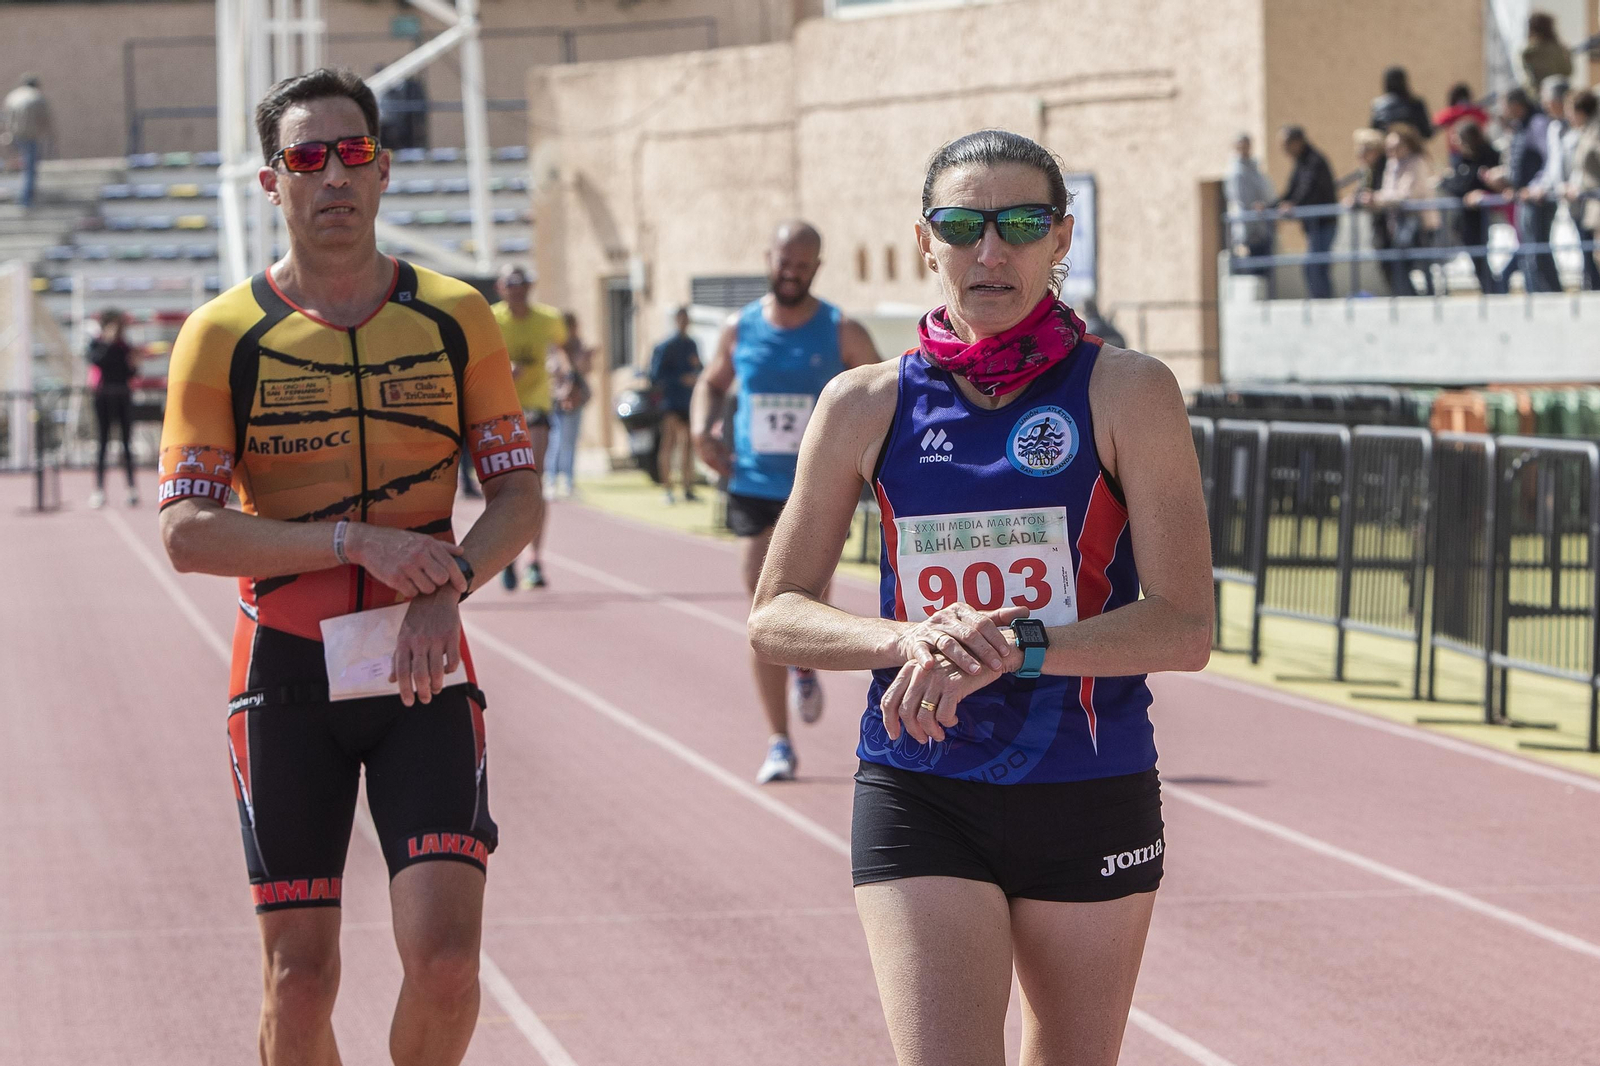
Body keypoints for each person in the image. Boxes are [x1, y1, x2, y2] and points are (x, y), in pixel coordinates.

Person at [747, 128, 1212, 1066]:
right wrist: (910, 641)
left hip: (1088, 780)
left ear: (1061, 238)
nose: (989, 251)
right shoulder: (864, 403)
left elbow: (1186, 625)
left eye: (1020, 224)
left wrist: (1019, 645)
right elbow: (776, 612)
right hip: (922, 783)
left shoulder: (1128, 390)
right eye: (962, 225)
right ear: (927, 241)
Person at [156, 67, 541, 1066]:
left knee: (449, 961)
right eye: (307, 157)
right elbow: (188, 533)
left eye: (353, 152)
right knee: (299, 980)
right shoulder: (221, 333)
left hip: (422, 670)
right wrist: (351, 540)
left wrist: (445, 582)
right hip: (283, 676)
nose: (333, 175)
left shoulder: (456, 315)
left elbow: (519, 498)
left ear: (383, 171)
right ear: (269, 181)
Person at [691, 220, 880, 784]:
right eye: (783, 263)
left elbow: (889, 387)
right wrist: (704, 429)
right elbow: (711, 383)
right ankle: (779, 740)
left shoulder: (840, 330)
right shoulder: (739, 327)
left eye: (802, 266)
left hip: (818, 486)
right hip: (752, 479)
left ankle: (803, 661)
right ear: (768, 258)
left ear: (816, 268)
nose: (790, 274)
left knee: (811, 598)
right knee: (764, 605)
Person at [492, 263, 566, 589]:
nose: (517, 292)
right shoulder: (491, 318)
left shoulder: (547, 318)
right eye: (511, 286)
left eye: (522, 286)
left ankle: (535, 560)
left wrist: (567, 374)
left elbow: (566, 348)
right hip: (500, 409)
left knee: (534, 481)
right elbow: (472, 357)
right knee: (504, 485)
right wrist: (501, 366)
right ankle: (506, 555)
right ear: (501, 288)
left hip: (536, 406)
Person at [1487, 88, 1559, 293]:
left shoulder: (1537, 124)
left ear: (1516, 105)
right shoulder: (1520, 126)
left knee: (1537, 251)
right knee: (1529, 250)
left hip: (1537, 199)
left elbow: (1549, 160)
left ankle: (1548, 295)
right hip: (1523, 197)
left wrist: (1537, 187)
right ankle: (1535, 293)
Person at [1358, 124, 1439, 297]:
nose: (1391, 151)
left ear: (1407, 145)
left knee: (1423, 266)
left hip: (1420, 222)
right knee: (1399, 266)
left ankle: (1429, 301)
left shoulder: (1417, 161)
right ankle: (1411, 299)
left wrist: (1377, 199)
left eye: (1395, 147)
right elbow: (1389, 191)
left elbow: (1407, 194)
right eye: (1388, 147)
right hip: (1398, 222)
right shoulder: (1392, 164)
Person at [1437, 119, 1503, 293]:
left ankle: (1495, 290)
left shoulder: (1488, 155)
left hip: (1484, 215)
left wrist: (1454, 183)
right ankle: (1491, 290)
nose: (1456, 143)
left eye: (1458, 138)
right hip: (1465, 218)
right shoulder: (1461, 160)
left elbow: (1469, 183)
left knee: (1482, 256)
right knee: (1476, 258)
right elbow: (1455, 185)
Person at [87, 309, 141, 508]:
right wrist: (107, 342)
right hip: (103, 397)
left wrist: (135, 362)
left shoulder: (125, 347)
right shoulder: (97, 344)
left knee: (127, 444)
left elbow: (130, 372)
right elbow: (95, 360)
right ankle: (99, 489)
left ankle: (131, 489)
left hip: (122, 396)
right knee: (102, 444)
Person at [1276, 125, 1338, 298]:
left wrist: (1293, 204)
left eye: (1286, 144)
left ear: (1297, 142)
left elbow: (1307, 190)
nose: (1284, 150)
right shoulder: (1302, 162)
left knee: (1315, 267)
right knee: (1315, 267)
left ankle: (1323, 305)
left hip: (1324, 223)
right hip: (1314, 225)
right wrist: (1269, 207)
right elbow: (1291, 191)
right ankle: (1322, 301)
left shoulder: (1314, 161)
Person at [650, 306, 702, 503]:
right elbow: (655, 375)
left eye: (686, 319)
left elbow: (699, 367)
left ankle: (688, 487)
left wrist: (695, 377)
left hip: (688, 402)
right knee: (669, 444)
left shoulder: (691, 344)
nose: (684, 323)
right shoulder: (665, 345)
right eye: (681, 319)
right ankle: (667, 488)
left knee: (688, 445)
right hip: (671, 402)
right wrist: (680, 378)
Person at [544, 310, 593, 498]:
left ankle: (569, 481)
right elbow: (553, 370)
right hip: (558, 399)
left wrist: (585, 358)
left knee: (571, 440)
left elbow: (585, 370)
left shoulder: (578, 345)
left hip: (577, 398)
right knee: (557, 439)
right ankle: (551, 479)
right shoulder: (554, 347)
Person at [1224, 132, 1277, 294]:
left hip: (1261, 224)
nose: (1244, 149)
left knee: (1264, 267)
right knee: (1250, 268)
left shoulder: (1254, 168)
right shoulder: (1235, 172)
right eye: (1241, 146)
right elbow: (1240, 200)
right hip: (1246, 227)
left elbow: (1267, 192)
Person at [1347, 128, 1391, 293]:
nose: (1360, 155)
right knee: (1384, 263)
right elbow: (1362, 190)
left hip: (1389, 222)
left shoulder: (1386, 166)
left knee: (1393, 264)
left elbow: (1381, 191)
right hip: (1378, 223)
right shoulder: (1369, 170)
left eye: (1364, 150)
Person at [1566, 90, 1600, 291]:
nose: (1568, 116)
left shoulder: (1596, 131)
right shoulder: (1587, 131)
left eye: (1571, 111)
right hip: (1592, 204)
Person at [2, 74, 52, 210]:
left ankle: (23, 196)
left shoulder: (13, 96)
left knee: (22, 166)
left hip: (16, 136)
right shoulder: (36, 96)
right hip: (30, 137)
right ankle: (26, 198)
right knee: (30, 168)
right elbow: (44, 119)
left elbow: (6, 117)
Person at [1369, 66, 1433, 140]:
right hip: (1411, 149)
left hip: (1386, 150)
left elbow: (1373, 134)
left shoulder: (1378, 104)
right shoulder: (1415, 103)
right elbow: (1426, 133)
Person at [1522, 11, 1573, 98]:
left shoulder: (1528, 52)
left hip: (1538, 96)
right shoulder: (1560, 49)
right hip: (1559, 94)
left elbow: (1529, 80)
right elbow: (1568, 71)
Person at [1433, 83, 1490, 159]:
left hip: (1459, 151)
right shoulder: (1476, 111)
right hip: (1475, 149)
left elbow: (1436, 121)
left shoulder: (1452, 112)